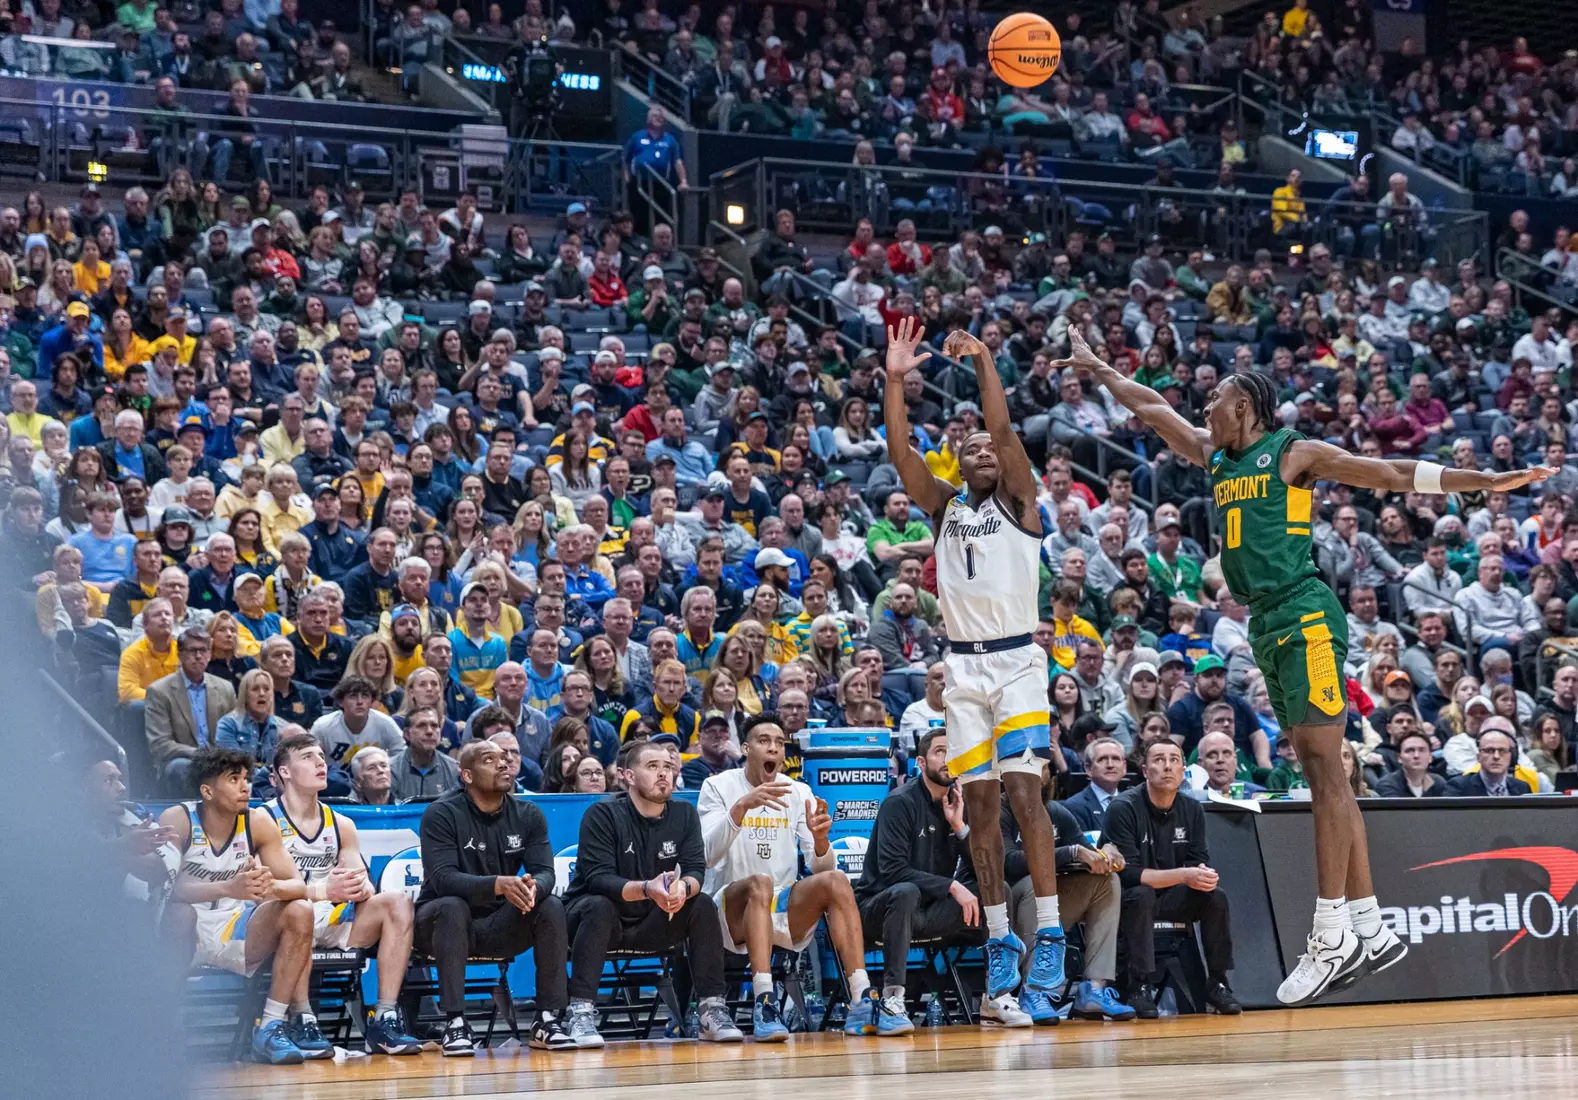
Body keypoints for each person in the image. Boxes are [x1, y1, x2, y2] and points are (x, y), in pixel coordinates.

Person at [1055, 324, 1555, 1005]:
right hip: (1265, 621)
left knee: (1325, 770)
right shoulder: (1216, 457)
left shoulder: (1291, 453)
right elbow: (1150, 407)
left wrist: (1483, 481)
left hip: (1304, 611)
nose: (1206, 408)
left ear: (1248, 406)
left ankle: (1328, 934)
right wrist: (1097, 366)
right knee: (1324, 770)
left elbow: (1388, 473)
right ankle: (1369, 924)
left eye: (1218, 398)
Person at [882, 316, 1055, 1026]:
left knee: (1023, 794)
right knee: (980, 809)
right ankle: (998, 938)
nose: (985, 449)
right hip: (961, 670)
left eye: (991, 445)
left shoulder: (1021, 500)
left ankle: (1047, 933)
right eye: (971, 447)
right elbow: (900, 455)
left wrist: (984, 359)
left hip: (1017, 660)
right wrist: (895, 381)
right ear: (959, 463)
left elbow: (1005, 430)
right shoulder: (945, 507)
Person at [698, 713, 876, 1039]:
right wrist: (740, 809)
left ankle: (861, 997)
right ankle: (765, 1000)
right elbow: (707, 854)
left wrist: (821, 841)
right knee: (759, 883)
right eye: (764, 741)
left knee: (835, 880)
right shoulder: (717, 786)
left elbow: (820, 867)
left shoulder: (798, 792)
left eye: (779, 743)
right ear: (745, 747)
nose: (774, 749)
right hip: (727, 911)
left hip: (780, 907)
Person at [563, 739, 744, 1046]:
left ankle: (711, 1009)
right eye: (652, 767)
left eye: (668, 767)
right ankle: (579, 1013)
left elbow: (695, 870)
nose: (664, 774)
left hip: (651, 922)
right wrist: (648, 890)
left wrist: (682, 890)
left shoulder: (684, 814)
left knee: (700, 904)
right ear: (628, 776)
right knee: (599, 906)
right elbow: (599, 879)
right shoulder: (602, 814)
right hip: (596, 923)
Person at [262, 733, 423, 1054]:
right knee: (299, 910)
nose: (320, 762)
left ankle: (385, 1018)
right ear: (284, 772)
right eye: (308, 757)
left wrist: (360, 887)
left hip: (332, 917)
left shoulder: (342, 823)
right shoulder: (262, 819)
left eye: (321, 756)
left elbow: (358, 880)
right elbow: (264, 891)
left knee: (397, 902)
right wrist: (323, 891)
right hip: (280, 921)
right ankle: (301, 1018)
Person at [414, 740, 578, 1055]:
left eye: (505, 758)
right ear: (467, 776)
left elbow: (545, 871)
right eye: (490, 760)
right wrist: (499, 885)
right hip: (438, 927)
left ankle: (547, 1019)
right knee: (451, 906)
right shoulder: (441, 814)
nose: (503, 764)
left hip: (498, 925)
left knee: (551, 904)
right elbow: (443, 879)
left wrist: (533, 888)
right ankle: (455, 1023)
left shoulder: (528, 814)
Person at [157, 747, 318, 1064]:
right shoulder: (178, 819)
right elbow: (166, 888)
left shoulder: (257, 823)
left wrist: (267, 886)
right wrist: (229, 887)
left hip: (235, 927)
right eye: (233, 779)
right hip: (186, 931)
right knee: (179, 914)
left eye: (246, 778)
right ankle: (166, 1023)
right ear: (207, 790)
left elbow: (298, 884)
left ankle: (271, 1025)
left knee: (300, 909)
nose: (245, 786)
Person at [853, 728, 982, 1034]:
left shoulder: (960, 802)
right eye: (940, 751)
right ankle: (892, 1000)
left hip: (928, 913)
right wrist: (951, 886)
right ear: (921, 763)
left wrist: (960, 827)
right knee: (906, 891)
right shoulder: (899, 803)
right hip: (878, 909)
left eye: (952, 751)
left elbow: (981, 869)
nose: (948, 758)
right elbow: (892, 872)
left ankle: (998, 995)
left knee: (994, 890)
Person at [1101, 738, 1240, 1017]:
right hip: (1128, 898)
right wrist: (1184, 875)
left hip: (1173, 894)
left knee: (1215, 897)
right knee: (1141, 895)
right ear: (1144, 770)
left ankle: (1218, 981)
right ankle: (1139, 985)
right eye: (1159, 760)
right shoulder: (1123, 807)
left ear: (1183, 770)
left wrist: (1202, 877)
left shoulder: (1192, 810)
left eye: (1174, 760)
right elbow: (1127, 874)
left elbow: (1197, 863)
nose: (1167, 766)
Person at [1003, 779, 1135, 1023]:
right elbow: (1009, 863)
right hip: (1005, 911)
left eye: (1040, 764)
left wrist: (1107, 855)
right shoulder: (999, 810)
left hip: (1047, 910)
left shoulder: (1056, 812)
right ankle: (1033, 990)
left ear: (1051, 778)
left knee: (1107, 881)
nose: (1033, 770)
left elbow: (1090, 854)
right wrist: (1071, 853)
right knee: (1037, 883)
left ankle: (1093, 988)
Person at [1445, 725, 1531, 796]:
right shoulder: (1459, 787)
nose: (1496, 756)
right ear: (1479, 757)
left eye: (1502, 751)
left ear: (1511, 756)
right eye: (1489, 751)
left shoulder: (1522, 788)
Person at [1064, 736, 1126, 832]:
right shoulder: (1074, 807)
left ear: (1124, 767)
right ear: (1088, 769)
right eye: (1102, 759)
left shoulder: (1134, 804)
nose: (1110, 765)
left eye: (1115, 759)